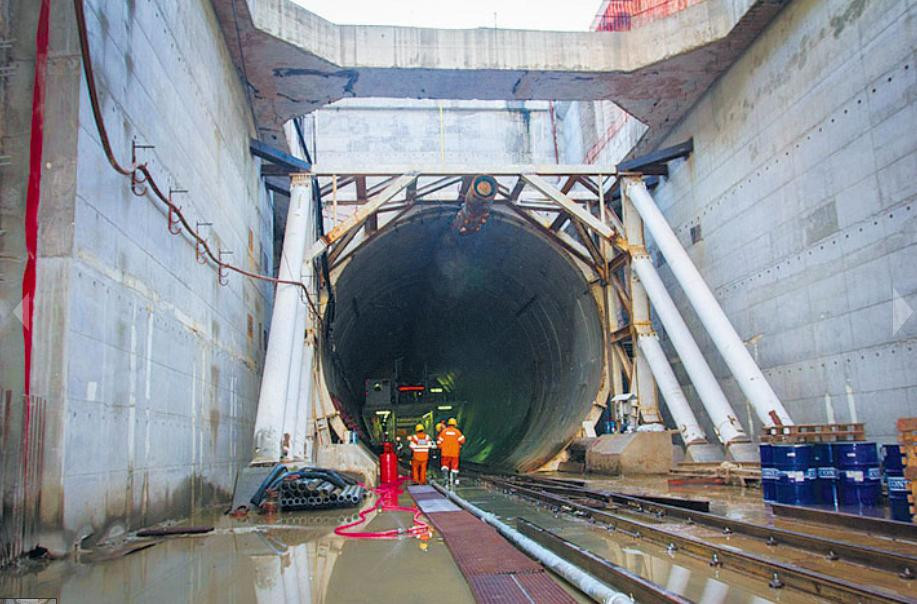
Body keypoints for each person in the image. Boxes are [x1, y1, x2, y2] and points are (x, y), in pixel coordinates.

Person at [437, 418, 465, 486]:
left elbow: (438, 442)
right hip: (455, 453)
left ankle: (445, 479)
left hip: (445, 453)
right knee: (454, 467)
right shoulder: (457, 432)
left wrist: (441, 447)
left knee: (445, 466)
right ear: (455, 424)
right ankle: (454, 480)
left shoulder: (443, 432)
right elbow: (463, 441)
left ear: (448, 424)